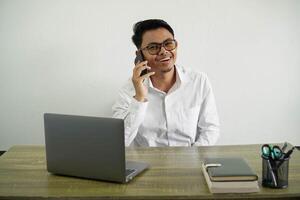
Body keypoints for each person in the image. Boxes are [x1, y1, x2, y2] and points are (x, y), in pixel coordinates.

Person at [112, 19, 220, 147]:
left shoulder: (198, 81)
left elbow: (210, 129)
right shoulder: (129, 89)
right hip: (147, 163)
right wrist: (139, 98)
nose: (163, 51)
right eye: (153, 47)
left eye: (168, 44)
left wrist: (193, 156)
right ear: (139, 54)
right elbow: (120, 142)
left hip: (190, 159)